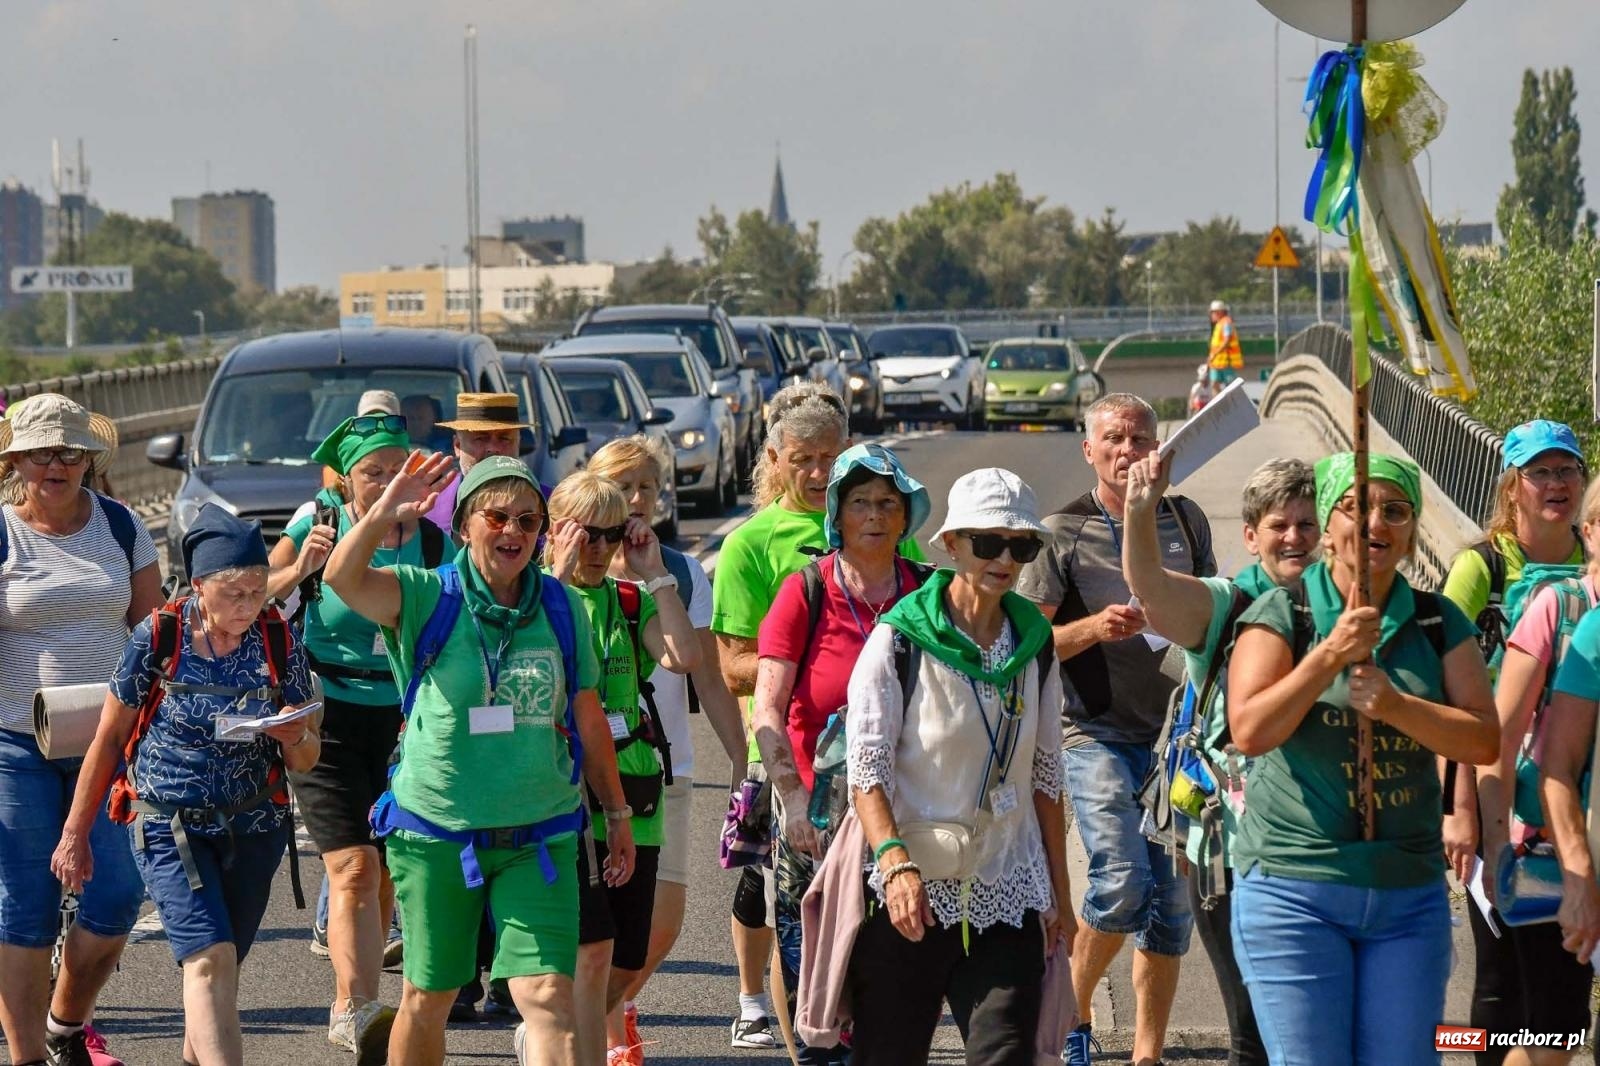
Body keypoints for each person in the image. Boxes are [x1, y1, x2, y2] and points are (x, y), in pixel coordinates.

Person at [324, 451, 634, 1066]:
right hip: (437, 833)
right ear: (464, 524)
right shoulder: (423, 596)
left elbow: (588, 716)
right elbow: (341, 579)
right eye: (496, 517)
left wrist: (617, 813)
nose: (513, 531)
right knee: (429, 994)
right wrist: (386, 508)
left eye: (527, 519)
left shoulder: (562, 607)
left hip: (539, 836)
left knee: (549, 994)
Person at [1225, 452, 1497, 1066]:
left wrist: (1397, 706)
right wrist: (1328, 656)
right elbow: (1249, 730)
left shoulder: (1436, 620)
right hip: (1295, 890)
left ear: (1410, 532)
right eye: (1357, 507)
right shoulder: (1284, 613)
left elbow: (1483, 740)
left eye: (1395, 511)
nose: (1376, 522)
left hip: (1407, 895)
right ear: (1328, 524)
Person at [54, 504, 320, 1066]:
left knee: (220, 969)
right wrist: (76, 832)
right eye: (234, 593)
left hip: (255, 825)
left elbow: (307, 757)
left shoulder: (278, 640)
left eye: (256, 589)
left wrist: (296, 735)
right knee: (210, 958)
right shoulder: (160, 634)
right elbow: (107, 739)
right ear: (199, 585)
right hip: (168, 822)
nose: (248, 605)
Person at [846, 467, 1072, 1066]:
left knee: (1007, 1055)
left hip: (1007, 886)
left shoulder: (1034, 643)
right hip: (911, 893)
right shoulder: (898, 642)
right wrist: (895, 867)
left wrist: (1059, 898)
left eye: (1020, 546)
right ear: (951, 544)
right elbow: (865, 774)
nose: (1004, 558)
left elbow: (1046, 778)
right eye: (987, 542)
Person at [1016, 392, 1213, 1066]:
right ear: (1090, 450)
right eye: (1115, 440)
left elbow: (1209, 613)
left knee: (1170, 909)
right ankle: (1066, 1014)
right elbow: (1026, 642)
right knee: (1119, 883)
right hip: (1093, 732)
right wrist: (1094, 629)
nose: (1129, 452)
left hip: (1174, 738)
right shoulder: (1061, 531)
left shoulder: (1183, 519)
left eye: (1140, 439)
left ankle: (1147, 1054)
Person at [1122, 454, 1319, 1066]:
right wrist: (1139, 510)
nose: (1294, 537)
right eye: (1279, 525)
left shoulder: (1344, 605)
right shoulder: (1227, 605)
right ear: (1250, 535)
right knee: (1252, 1032)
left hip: (1322, 849)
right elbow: (1151, 588)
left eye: (1307, 525)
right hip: (1232, 850)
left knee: (1312, 1025)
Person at [268, 413, 448, 1061]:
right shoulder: (318, 523)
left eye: (395, 467)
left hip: (404, 719)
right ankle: (356, 1006)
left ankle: (358, 995)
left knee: (386, 869)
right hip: (326, 714)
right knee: (352, 867)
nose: (385, 481)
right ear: (346, 480)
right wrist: (299, 570)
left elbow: (461, 607)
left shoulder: (431, 541)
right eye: (372, 471)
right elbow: (256, 593)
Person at [752, 443, 932, 1066]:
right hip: (816, 813)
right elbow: (768, 712)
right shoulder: (805, 591)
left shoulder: (930, 593)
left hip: (905, 808)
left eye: (888, 502)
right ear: (837, 512)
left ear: (907, 516)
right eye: (860, 503)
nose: (875, 516)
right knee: (818, 975)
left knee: (892, 972)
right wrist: (793, 799)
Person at [0, 393, 162, 1066]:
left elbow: (156, 636)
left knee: (119, 894)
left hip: (108, 740)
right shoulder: (3, 533)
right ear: (17, 463)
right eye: (40, 452)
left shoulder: (123, 528)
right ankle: (29, 1056)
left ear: (89, 459)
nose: (55, 464)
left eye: (68, 451)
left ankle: (67, 1019)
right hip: (16, 745)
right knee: (27, 909)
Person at [588, 436, 749, 1058]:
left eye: (646, 488)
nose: (634, 500)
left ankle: (599, 1011)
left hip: (664, 768)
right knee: (602, 922)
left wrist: (739, 756)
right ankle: (598, 1037)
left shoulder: (681, 572)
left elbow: (705, 673)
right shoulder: (570, 567)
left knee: (664, 923)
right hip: (583, 772)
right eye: (622, 486)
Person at [1441, 419, 1587, 1063]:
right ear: (1512, 489)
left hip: (1569, 787)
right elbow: (1445, 688)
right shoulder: (1484, 567)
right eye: (1541, 473)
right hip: (1492, 779)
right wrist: (1460, 808)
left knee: (1551, 988)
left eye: (1567, 471)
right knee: (1500, 970)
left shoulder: (1591, 569)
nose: (1556, 485)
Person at [711, 381, 850, 1051]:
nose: (819, 473)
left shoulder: (876, 526)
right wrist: (798, 668)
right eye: (803, 459)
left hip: (871, 753)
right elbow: (731, 662)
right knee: (774, 895)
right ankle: (757, 1003)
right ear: (773, 457)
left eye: (830, 456)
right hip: (786, 752)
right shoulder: (752, 544)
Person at [545, 471, 700, 1066]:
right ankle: (572, 1047)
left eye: (612, 535)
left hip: (635, 791)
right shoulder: (536, 596)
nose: (599, 549)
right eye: (587, 534)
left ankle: (559, 1032)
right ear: (559, 532)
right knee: (590, 948)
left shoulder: (629, 599)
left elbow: (683, 656)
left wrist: (654, 572)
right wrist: (556, 571)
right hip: (564, 792)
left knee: (627, 959)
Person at [1484, 477, 1600, 1066]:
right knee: (1552, 1029)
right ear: (1589, 532)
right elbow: (1501, 733)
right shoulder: (1560, 606)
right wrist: (1485, 835)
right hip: (1548, 843)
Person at [421, 393, 531, 536]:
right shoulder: (428, 508)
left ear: (518, 444)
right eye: (481, 438)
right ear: (457, 446)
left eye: (504, 438)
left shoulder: (546, 505)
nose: (493, 448)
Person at [1206, 300, 1242, 388]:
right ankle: (1219, 402)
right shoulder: (1218, 325)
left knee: (1230, 387)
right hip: (1216, 363)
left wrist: (1214, 354)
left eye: (1213, 313)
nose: (1211, 315)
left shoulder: (1226, 323)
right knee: (1214, 384)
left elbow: (1226, 341)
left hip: (1226, 362)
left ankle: (1229, 401)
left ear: (1219, 312)